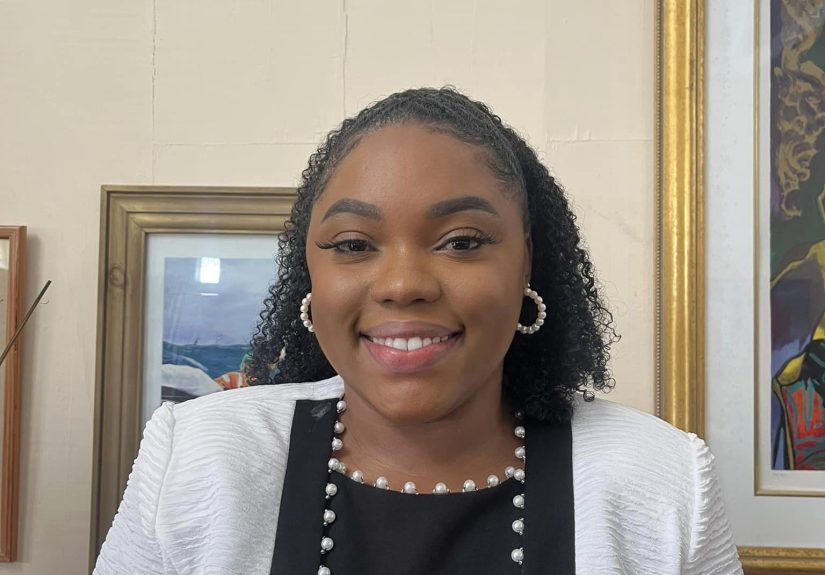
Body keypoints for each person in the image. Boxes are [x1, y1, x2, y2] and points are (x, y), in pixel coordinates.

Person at [94, 87, 743, 574]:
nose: (402, 284)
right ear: (310, 275)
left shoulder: (661, 482)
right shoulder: (198, 457)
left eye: (461, 241)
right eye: (353, 244)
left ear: (525, 264)